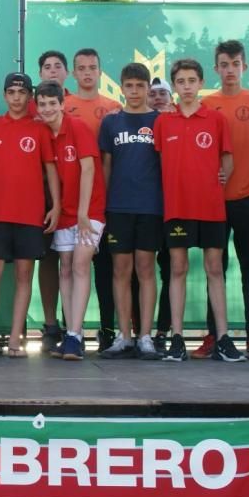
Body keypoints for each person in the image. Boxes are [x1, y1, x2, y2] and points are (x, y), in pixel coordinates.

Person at [154, 59, 245, 363]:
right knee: (177, 269)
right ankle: (177, 339)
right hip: (177, 207)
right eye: (181, 81)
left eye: (192, 80)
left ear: (201, 83)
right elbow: (156, 161)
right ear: (174, 86)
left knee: (215, 270)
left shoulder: (216, 119)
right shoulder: (163, 121)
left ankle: (222, 338)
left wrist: (222, 177)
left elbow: (228, 160)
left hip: (211, 208)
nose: (187, 86)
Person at [0, 72, 59, 358]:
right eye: (11, 93)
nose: (17, 98)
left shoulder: (41, 130)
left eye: (22, 93)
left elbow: (51, 171)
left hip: (30, 215)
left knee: (23, 275)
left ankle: (17, 341)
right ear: (4, 96)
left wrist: (55, 205)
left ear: (29, 96)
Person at [195, 40, 249, 360]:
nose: (229, 70)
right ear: (216, 69)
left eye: (235, 64)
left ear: (244, 67)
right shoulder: (205, 105)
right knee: (214, 269)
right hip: (212, 203)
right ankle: (214, 335)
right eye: (224, 64)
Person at [36, 81, 106, 361]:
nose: (48, 109)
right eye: (42, 104)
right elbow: (52, 173)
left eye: (52, 103)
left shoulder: (77, 127)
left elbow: (88, 169)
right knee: (64, 267)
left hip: (89, 211)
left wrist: (83, 212)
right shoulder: (43, 132)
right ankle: (69, 333)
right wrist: (56, 206)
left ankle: (76, 336)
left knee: (79, 264)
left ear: (62, 104)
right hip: (64, 211)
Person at [98, 63, 163, 360]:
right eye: (129, 86)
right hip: (119, 208)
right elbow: (106, 167)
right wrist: (104, 206)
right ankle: (124, 337)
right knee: (120, 271)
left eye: (140, 85)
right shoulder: (111, 123)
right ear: (121, 88)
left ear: (148, 88)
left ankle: (145, 336)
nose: (135, 91)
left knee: (146, 270)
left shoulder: (160, 121)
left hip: (150, 207)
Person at [64, 48, 123, 352]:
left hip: (103, 199)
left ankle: (108, 330)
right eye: (82, 68)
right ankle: (70, 332)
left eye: (92, 67)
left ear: (101, 72)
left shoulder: (114, 108)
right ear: (73, 73)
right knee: (69, 267)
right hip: (68, 201)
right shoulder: (63, 106)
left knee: (105, 269)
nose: (87, 73)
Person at [32, 50, 70, 352]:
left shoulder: (79, 110)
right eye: (47, 67)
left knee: (75, 264)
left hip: (77, 200)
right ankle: (50, 324)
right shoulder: (34, 116)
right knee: (48, 261)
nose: (53, 70)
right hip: (41, 198)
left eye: (58, 66)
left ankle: (74, 324)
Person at [147, 77, 175, 351]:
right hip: (143, 209)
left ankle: (163, 331)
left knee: (169, 271)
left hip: (171, 209)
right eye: (152, 93)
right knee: (136, 272)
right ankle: (134, 332)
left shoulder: (179, 123)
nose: (157, 98)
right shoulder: (135, 124)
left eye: (162, 93)